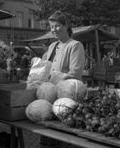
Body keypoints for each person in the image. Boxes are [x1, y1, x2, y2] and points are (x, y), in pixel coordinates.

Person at [40, 11, 85, 148]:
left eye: (57, 25)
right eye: (52, 27)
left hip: (66, 98)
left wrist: (53, 76)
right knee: (47, 135)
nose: (54, 29)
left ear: (66, 25)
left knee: (64, 138)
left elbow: (75, 74)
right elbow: (45, 67)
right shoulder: (52, 46)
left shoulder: (75, 45)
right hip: (49, 97)